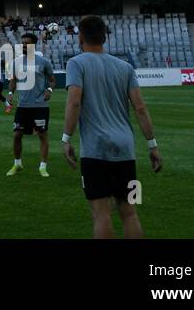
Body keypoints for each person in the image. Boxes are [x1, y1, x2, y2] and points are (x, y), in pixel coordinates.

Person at [62, 16, 161, 238]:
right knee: (130, 211)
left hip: (96, 149)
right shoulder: (125, 67)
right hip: (126, 150)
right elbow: (140, 108)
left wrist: (66, 138)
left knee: (101, 214)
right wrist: (152, 145)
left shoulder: (76, 63)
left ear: (80, 37)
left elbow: (74, 101)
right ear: (104, 37)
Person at [7, 32, 54, 177]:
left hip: (40, 105)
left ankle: (42, 167)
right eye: (23, 43)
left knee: (42, 135)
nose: (24, 46)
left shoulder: (44, 62)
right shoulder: (16, 62)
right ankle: (17, 164)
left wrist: (49, 89)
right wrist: (10, 93)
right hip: (23, 106)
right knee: (16, 135)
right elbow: (13, 80)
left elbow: (52, 80)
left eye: (27, 43)